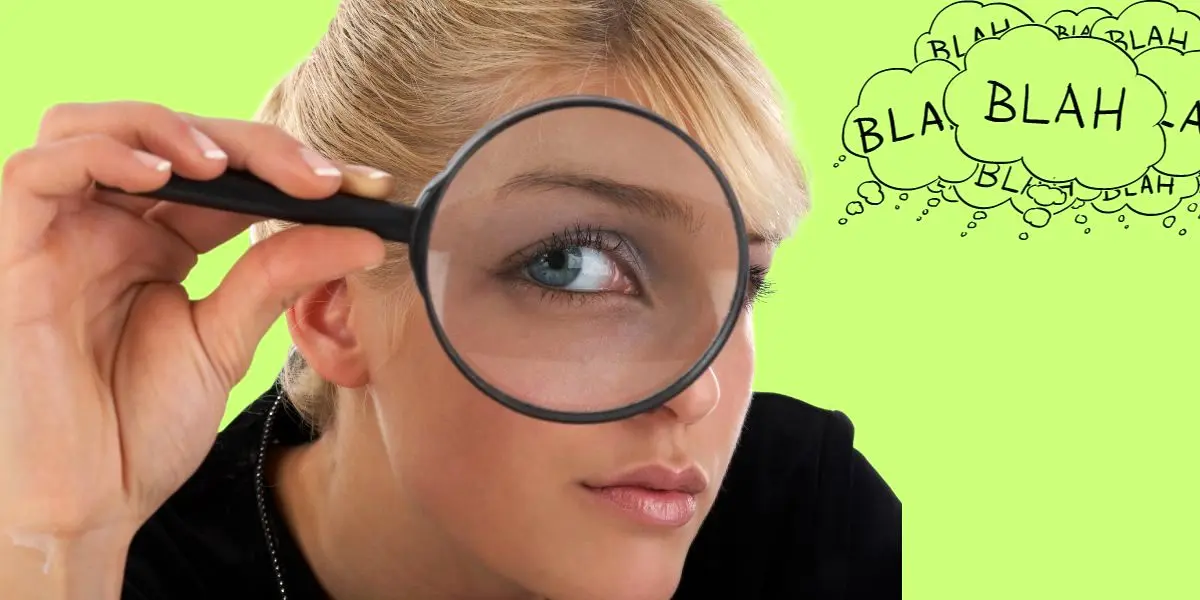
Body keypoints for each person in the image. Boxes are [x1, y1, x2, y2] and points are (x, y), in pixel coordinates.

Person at [0, 0, 900, 598]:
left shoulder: (807, 517)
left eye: (741, 282)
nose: (699, 392)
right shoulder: (124, 568)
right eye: (573, 266)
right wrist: (56, 542)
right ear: (330, 302)